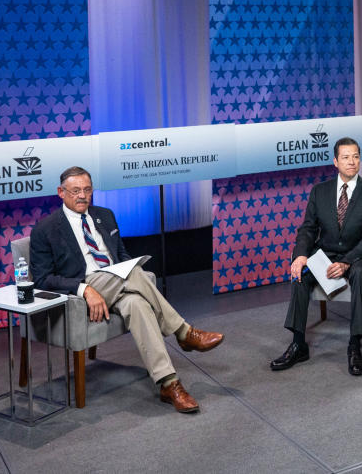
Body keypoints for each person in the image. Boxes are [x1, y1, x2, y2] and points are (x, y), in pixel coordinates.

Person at [30, 165, 224, 414]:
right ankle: (183, 332)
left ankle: (169, 384)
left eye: (87, 190)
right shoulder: (45, 229)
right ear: (61, 192)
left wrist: (124, 269)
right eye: (76, 190)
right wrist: (84, 290)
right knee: (135, 273)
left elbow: (120, 255)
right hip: (86, 286)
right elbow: (43, 279)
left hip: (116, 282)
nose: (82, 196)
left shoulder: (105, 215)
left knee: (138, 304)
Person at [270, 137, 362, 376]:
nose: (352, 161)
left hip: (357, 254)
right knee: (300, 274)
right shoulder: (319, 191)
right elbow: (308, 228)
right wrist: (300, 255)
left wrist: (346, 261)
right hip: (324, 252)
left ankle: (354, 344)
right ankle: (298, 343)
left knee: (361, 273)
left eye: (355, 156)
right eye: (345, 157)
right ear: (335, 161)